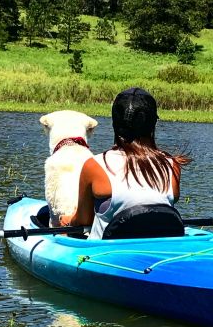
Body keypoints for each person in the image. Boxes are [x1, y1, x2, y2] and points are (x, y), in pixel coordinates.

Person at [63, 87, 191, 239]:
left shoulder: (94, 165)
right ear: (152, 124)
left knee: (65, 227)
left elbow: (83, 220)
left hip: (106, 253)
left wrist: (67, 220)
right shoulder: (172, 165)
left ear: (115, 124)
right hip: (157, 248)